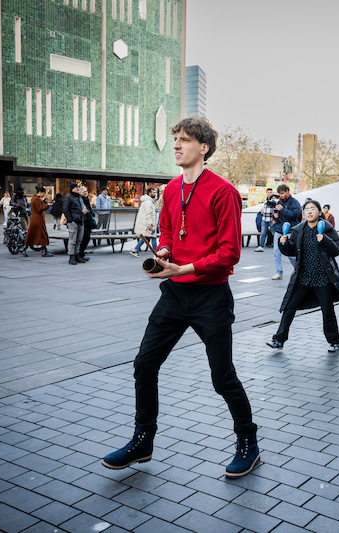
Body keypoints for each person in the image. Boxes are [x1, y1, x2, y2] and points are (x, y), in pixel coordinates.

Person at [101, 117, 260, 479]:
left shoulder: (224, 192)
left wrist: (183, 268)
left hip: (210, 296)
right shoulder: (171, 189)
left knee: (223, 377)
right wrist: (163, 253)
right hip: (174, 293)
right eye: (175, 139)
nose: (176, 145)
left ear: (203, 148)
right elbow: (169, 232)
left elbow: (229, 253)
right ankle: (143, 440)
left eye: (184, 140)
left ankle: (248, 443)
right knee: (144, 364)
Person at [266, 200, 339, 353]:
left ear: (320, 213)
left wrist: (325, 240)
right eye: (306, 209)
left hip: (322, 278)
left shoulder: (327, 229)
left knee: (327, 310)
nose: (309, 212)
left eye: (313, 209)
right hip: (303, 278)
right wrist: (284, 244)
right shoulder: (298, 230)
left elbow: (338, 250)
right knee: (289, 308)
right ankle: (279, 339)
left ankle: (334, 340)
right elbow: (291, 251)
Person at [271, 184, 301, 280]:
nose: (281, 196)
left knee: (291, 254)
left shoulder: (294, 202)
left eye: (283, 193)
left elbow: (294, 216)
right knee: (276, 252)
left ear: (287, 191)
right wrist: (275, 216)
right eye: (280, 194)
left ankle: (298, 271)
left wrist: (282, 210)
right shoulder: (279, 201)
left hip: (290, 231)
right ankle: (278, 272)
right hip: (279, 229)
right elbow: (277, 215)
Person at [62, 183, 87, 265]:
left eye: (78, 187)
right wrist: (70, 220)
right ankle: (71, 256)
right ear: (72, 188)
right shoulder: (68, 197)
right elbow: (65, 209)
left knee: (79, 239)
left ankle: (77, 254)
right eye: (76, 187)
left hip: (81, 220)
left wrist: (84, 211)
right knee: (72, 239)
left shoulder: (79, 197)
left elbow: (82, 206)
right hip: (74, 221)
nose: (78, 189)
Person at [26, 187, 53, 257]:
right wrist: (48, 205)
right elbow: (39, 209)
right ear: (40, 192)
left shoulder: (34, 198)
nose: (44, 194)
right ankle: (44, 251)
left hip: (34, 218)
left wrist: (43, 202)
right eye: (44, 193)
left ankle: (24, 247)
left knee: (32, 233)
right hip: (38, 218)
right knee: (42, 234)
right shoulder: (37, 199)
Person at [131, 191, 157, 257]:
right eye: (153, 192)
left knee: (146, 237)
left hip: (146, 224)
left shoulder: (147, 201)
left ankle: (135, 249)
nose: (154, 194)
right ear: (149, 193)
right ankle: (157, 253)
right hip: (148, 224)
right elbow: (148, 214)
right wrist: (150, 224)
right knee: (153, 237)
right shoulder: (149, 202)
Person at [255, 188, 276, 252]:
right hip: (264, 219)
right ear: (266, 193)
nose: (269, 193)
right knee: (263, 233)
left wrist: (274, 219)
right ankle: (261, 246)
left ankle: (277, 246)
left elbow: (273, 205)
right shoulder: (266, 200)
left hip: (271, 219)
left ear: (272, 193)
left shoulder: (274, 200)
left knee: (274, 233)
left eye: (270, 192)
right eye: (268, 192)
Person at [78, 186, 95, 260]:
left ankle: (82, 253)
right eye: (84, 191)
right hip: (82, 220)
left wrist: (91, 213)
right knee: (82, 238)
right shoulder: (79, 199)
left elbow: (89, 209)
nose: (85, 193)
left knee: (87, 237)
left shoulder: (86, 199)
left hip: (88, 220)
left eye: (86, 191)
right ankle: (79, 253)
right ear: (80, 192)